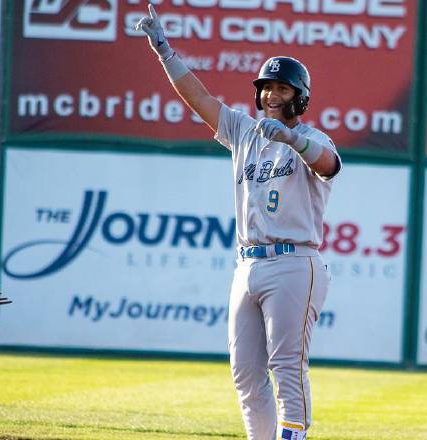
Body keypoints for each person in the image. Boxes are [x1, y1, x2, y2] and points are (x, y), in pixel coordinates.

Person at [136, 4, 341, 439]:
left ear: (299, 96)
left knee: (286, 365)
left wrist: (294, 139)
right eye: (266, 87)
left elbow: (329, 165)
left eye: (281, 89)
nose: (270, 95)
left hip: (293, 261)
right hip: (247, 264)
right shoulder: (244, 132)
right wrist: (163, 50)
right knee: (246, 374)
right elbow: (200, 99)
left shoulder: (312, 138)